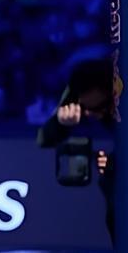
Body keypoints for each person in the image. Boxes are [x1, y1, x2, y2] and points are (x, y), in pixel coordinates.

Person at [36, 57, 115, 243]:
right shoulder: (81, 84)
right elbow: (44, 138)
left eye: (96, 108)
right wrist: (62, 124)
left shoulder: (122, 84)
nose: (87, 114)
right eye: (84, 108)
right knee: (110, 181)